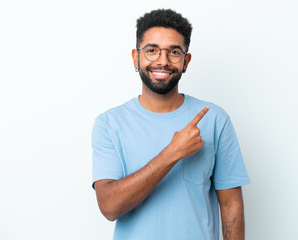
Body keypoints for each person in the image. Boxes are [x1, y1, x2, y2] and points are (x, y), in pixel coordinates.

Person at [92, 9, 250, 240]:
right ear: (136, 57)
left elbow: (231, 205)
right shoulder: (109, 123)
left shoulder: (215, 119)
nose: (163, 61)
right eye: (152, 50)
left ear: (186, 61)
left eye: (174, 52)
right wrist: (172, 153)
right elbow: (109, 207)